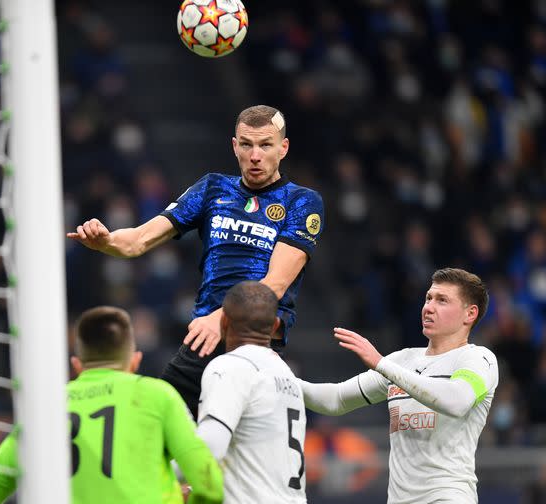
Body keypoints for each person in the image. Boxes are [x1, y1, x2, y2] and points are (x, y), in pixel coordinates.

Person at [68, 105, 325, 417]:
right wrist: (106, 241)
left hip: (255, 344)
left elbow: (276, 284)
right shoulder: (213, 188)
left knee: (227, 444)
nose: (255, 155)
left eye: (265, 145)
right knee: (154, 423)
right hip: (204, 340)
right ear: (235, 146)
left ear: (282, 148)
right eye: (246, 144)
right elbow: (137, 240)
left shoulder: (301, 201)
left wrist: (221, 318)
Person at [0, 306, 223, 504]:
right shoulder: (158, 395)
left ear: (77, 365)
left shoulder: (47, 406)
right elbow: (208, 484)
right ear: (135, 361)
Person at [301, 268, 499, 503]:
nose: (429, 307)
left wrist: (383, 365)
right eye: (428, 298)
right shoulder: (402, 361)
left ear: (470, 314)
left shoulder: (478, 359)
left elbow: (456, 401)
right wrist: (279, 378)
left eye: (442, 300)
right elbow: (335, 400)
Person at [195, 281, 307, 503]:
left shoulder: (230, 366)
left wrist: (157, 472)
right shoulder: (287, 374)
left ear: (224, 321)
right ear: (276, 325)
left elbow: (209, 448)